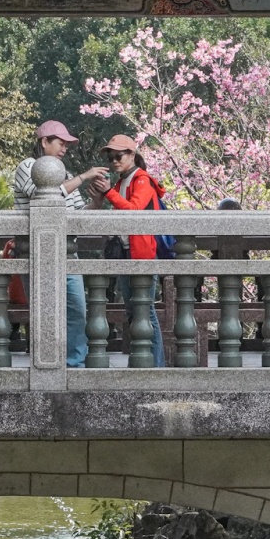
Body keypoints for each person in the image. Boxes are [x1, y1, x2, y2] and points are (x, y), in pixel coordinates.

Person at [13, 120, 108, 367]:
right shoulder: (27, 166)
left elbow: (78, 215)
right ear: (44, 142)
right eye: (60, 142)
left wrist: (96, 202)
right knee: (43, 312)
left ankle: (73, 362)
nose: (64, 148)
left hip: (67, 251)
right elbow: (41, 195)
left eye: (67, 144)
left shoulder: (65, 175)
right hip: (35, 250)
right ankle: (46, 364)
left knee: (77, 309)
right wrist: (84, 176)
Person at [92, 134, 165, 366]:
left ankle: (156, 364)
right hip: (125, 251)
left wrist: (108, 193)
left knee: (145, 310)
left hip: (142, 253)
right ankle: (143, 360)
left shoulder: (142, 179)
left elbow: (133, 209)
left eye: (119, 156)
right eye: (111, 157)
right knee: (133, 311)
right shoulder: (121, 181)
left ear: (132, 155)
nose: (114, 161)